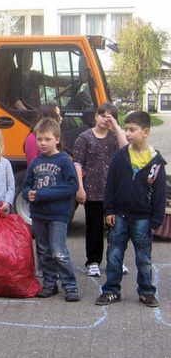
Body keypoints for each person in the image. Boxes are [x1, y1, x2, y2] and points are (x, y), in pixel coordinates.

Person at [95, 110, 167, 308]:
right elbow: (110, 185)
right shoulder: (120, 156)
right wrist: (109, 210)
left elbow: (160, 193)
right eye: (126, 129)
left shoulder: (156, 162)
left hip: (142, 218)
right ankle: (111, 290)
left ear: (145, 132)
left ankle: (146, 291)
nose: (127, 133)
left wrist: (156, 220)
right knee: (114, 254)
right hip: (119, 215)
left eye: (132, 130)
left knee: (143, 257)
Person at [22, 118, 80, 302]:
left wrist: (43, 194)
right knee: (44, 251)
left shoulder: (64, 161)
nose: (43, 143)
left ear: (57, 138)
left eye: (47, 139)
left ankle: (70, 286)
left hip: (58, 215)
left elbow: (71, 186)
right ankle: (49, 284)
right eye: (39, 139)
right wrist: (28, 194)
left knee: (59, 252)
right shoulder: (35, 163)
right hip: (38, 214)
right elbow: (26, 186)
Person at [73, 103, 127, 277]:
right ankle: (93, 261)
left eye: (110, 116)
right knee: (94, 227)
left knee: (116, 228)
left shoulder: (113, 137)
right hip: (92, 190)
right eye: (103, 115)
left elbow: (126, 149)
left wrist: (116, 127)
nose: (106, 119)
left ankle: (116, 259)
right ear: (96, 115)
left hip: (113, 191)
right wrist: (80, 188)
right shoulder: (84, 137)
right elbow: (78, 163)